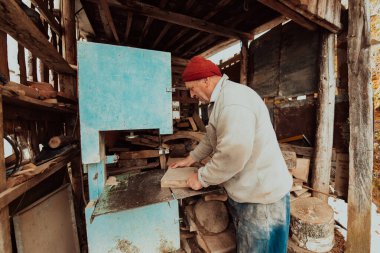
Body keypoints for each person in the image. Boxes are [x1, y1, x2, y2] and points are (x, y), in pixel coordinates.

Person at [169, 56, 293, 253]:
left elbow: (233, 154)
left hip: (261, 199)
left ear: (206, 80)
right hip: (250, 192)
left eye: (192, 88)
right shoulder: (220, 101)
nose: (192, 95)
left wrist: (202, 178)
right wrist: (191, 158)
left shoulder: (233, 103)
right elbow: (211, 138)